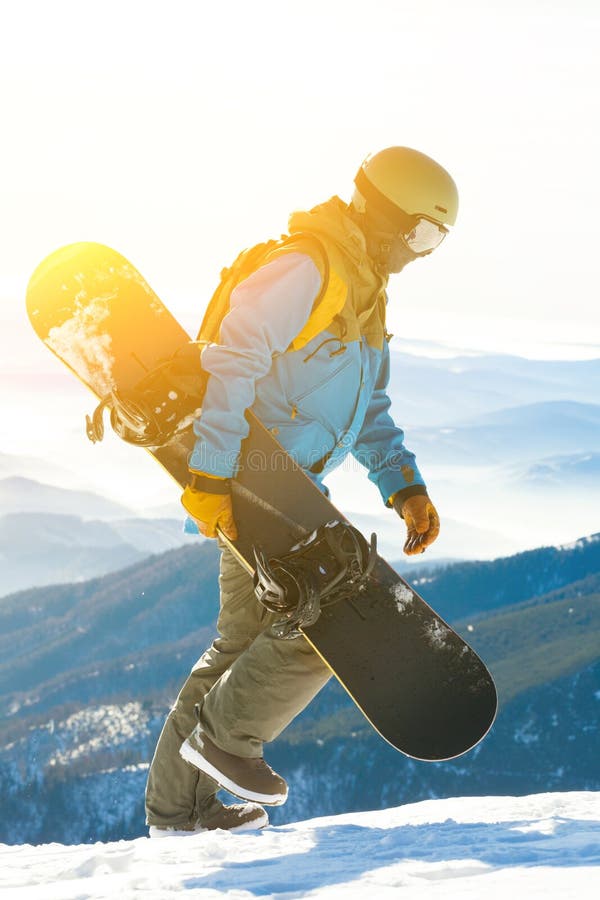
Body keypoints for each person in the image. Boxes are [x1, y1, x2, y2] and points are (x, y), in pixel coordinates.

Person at [145, 146, 458, 836]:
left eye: (438, 241)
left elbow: (367, 408)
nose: (424, 252)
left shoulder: (366, 291)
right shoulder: (309, 268)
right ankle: (227, 741)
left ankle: (178, 813)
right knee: (335, 612)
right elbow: (235, 357)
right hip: (256, 480)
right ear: (388, 212)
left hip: (291, 486)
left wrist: (403, 485)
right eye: (425, 233)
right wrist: (212, 473)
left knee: (242, 645)